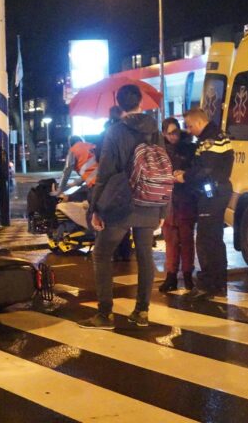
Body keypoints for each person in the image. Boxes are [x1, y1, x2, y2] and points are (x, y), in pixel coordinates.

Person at [78, 84, 165, 329]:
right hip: (149, 200)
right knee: (145, 256)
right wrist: (163, 209)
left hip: (120, 202)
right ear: (141, 102)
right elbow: (163, 169)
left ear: (118, 103)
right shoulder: (155, 131)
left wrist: (93, 208)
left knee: (102, 253)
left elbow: (104, 173)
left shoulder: (115, 132)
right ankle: (142, 312)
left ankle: (105, 314)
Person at [174, 108, 234, 301]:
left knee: (206, 239)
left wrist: (184, 176)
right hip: (216, 191)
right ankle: (218, 284)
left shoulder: (211, 140)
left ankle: (208, 284)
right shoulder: (213, 137)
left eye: (190, 126)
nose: (189, 130)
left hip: (212, 193)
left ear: (199, 123)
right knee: (214, 239)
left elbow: (205, 169)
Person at [158, 118, 197, 292]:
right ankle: (171, 276)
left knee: (187, 239)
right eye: (170, 132)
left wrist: (184, 175)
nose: (174, 136)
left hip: (185, 199)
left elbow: (195, 170)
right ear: (164, 133)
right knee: (171, 240)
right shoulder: (159, 151)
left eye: (176, 132)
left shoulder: (189, 148)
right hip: (168, 200)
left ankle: (188, 275)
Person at [53, 136, 98, 229]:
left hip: (94, 185)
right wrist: (72, 184)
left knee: (91, 212)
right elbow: (89, 172)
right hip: (105, 180)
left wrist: (60, 190)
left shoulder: (73, 150)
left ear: (70, 143)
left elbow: (67, 170)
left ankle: (93, 232)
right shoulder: (92, 146)